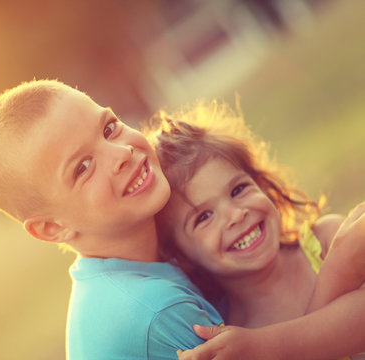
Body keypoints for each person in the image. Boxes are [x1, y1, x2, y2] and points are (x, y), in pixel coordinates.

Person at [0, 79, 224, 359]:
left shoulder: (114, 281)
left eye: (109, 129)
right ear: (53, 227)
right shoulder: (157, 311)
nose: (122, 153)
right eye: (83, 167)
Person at [147, 101, 365, 359]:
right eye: (204, 217)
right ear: (181, 256)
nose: (236, 215)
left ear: (260, 183)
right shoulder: (233, 337)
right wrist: (340, 272)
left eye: (238, 190)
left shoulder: (327, 240)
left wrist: (338, 265)